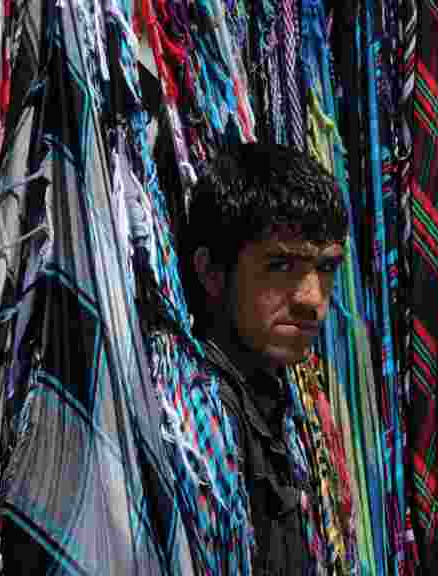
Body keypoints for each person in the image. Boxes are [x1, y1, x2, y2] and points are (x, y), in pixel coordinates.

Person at [181, 142, 348, 574]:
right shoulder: (195, 425)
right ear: (211, 272)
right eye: (279, 265)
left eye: (326, 268)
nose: (312, 300)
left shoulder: (276, 405)